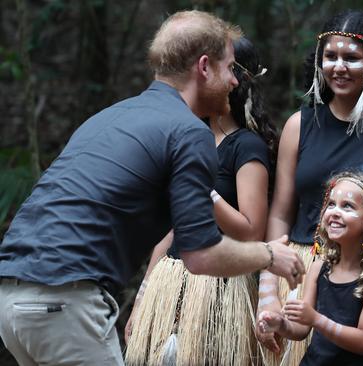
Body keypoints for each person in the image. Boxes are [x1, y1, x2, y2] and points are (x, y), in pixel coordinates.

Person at [0, 11, 303, 366]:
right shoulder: (188, 132)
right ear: (204, 67)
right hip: (66, 298)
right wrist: (269, 255)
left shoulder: (111, 115)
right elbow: (201, 255)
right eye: (230, 69)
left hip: (11, 296)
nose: (236, 83)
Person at [255, 10, 363, 365]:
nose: (338, 67)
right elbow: (281, 214)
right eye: (330, 57)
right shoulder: (300, 124)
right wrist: (268, 292)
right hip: (307, 270)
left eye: (352, 57)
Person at [124, 36, 277, 365]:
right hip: (170, 283)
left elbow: (251, 232)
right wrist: (143, 297)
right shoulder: (186, 136)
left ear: (236, 79)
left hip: (218, 290)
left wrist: (203, 192)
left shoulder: (246, 147)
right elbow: (170, 230)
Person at [258, 171, 363, 365]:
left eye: (347, 206)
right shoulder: (319, 267)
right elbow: (301, 329)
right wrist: (280, 324)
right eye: (331, 204)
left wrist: (316, 319)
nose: (335, 212)